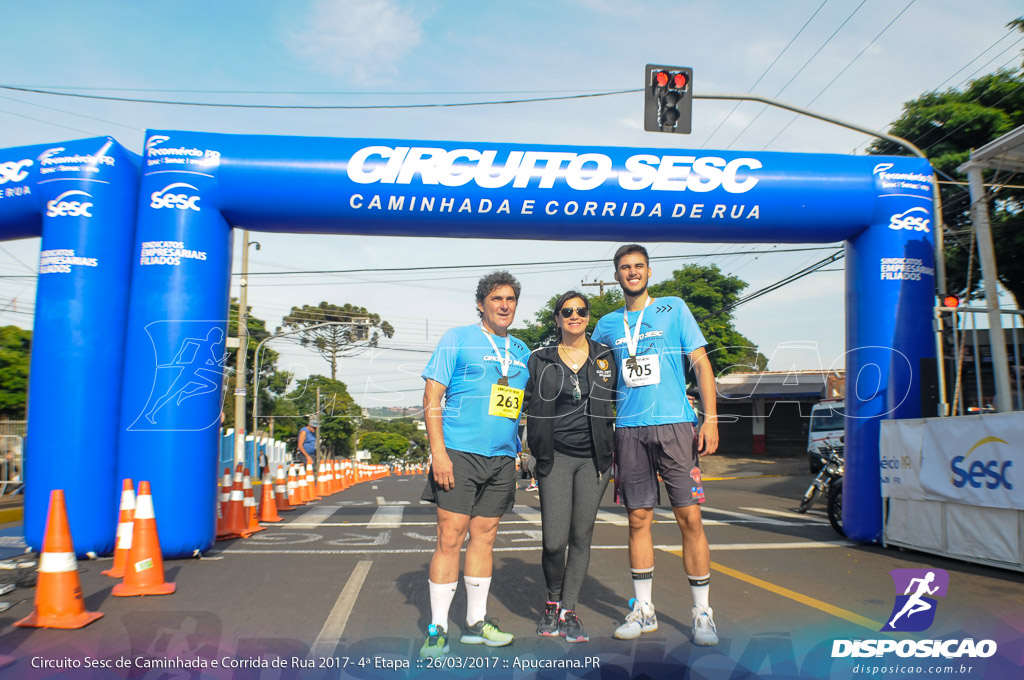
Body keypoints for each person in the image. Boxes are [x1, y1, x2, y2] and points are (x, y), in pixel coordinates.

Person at [591, 244, 721, 647]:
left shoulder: (674, 308)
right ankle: (644, 610)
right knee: (637, 520)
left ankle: (702, 613)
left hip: (676, 426)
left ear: (649, 271)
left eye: (638, 266)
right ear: (616, 277)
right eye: (625, 268)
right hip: (628, 429)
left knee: (690, 519)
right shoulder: (607, 325)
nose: (632, 272)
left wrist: (710, 418)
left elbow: (700, 362)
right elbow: (595, 379)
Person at [419, 271, 530, 659]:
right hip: (459, 452)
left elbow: (515, 406)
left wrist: (516, 450)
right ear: (481, 304)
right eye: (497, 298)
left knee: (486, 537)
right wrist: (439, 452)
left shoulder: (521, 351)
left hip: (501, 458)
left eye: (511, 299)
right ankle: (437, 628)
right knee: (451, 537)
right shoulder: (457, 338)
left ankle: (476, 622)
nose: (504, 305)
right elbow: (433, 395)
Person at [522, 291, 617, 644]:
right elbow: (518, 400)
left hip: (595, 459)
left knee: (581, 536)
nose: (574, 315)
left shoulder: (607, 358)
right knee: (553, 541)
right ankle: (551, 599)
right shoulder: (540, 359)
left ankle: (569, 609)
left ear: (588, 317)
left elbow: (627, 398)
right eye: (567, 311)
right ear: (557, 319)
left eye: (580, 310)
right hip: (554, 457)